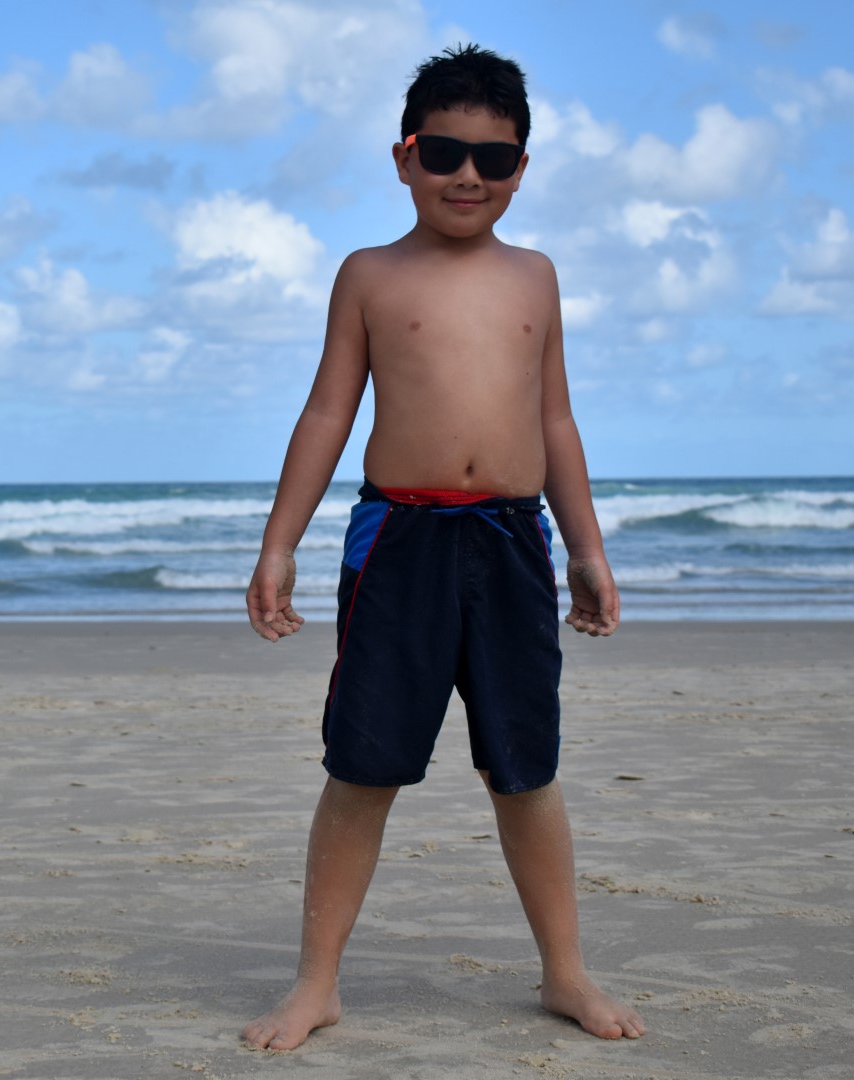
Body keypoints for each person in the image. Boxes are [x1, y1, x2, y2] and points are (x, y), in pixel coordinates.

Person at [240, 44, 645, 1051]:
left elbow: (555, 423)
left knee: (526, 768)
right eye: (447, 153)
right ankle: (317, 982)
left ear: (521, 170)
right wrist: (278, 545)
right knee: (364, 764)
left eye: (496, 160)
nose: (470, 176)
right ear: (405, 155)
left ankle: (565, 974)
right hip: (400, 541)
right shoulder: (370, 276)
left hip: (513, 541)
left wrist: (587, 551)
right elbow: (329, 411)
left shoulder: (535, 280)